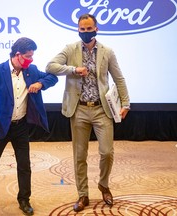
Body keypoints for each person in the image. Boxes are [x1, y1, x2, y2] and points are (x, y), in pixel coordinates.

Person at [46, 14, 130, 212]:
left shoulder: (107, 52)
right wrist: (74, 69)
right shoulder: (70, 49)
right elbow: (50, 66)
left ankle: (103, 184)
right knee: (79, 155)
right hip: (79, 109)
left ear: (96, 29)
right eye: (82, 29)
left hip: (102, 109)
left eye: (89, 28)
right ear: (78, 30)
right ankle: (83, 194)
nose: (85, 32)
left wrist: (125, 103)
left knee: (107, 152)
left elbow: (119, 78)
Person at [0, 37, 58, 215]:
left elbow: (53, 78)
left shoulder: (32, 71)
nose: (31, 59)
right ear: (18, 55)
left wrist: (40, 83)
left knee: (24, 165)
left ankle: (24, 199)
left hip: (21, 126)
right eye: (29, 56)